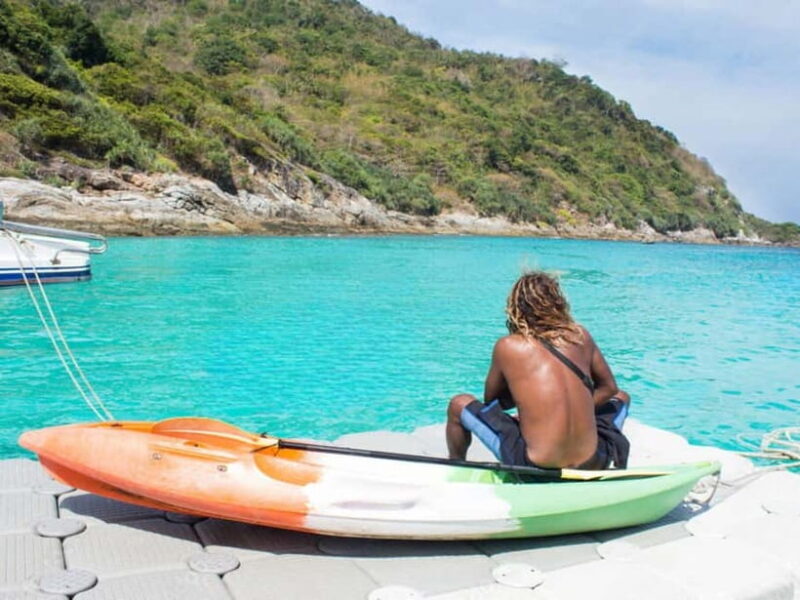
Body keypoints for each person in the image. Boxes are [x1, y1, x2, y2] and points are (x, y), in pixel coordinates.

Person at [446, 271, 631, 470]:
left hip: (534, 464)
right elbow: (609, 388)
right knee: (621, 397)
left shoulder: (508, 346)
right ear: (559, 302)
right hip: (593, 460)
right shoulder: (580, 336)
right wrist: (579, 410)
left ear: (516, 307)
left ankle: (457, 465)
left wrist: (536, 413)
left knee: (458, 404)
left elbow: (494, 403)